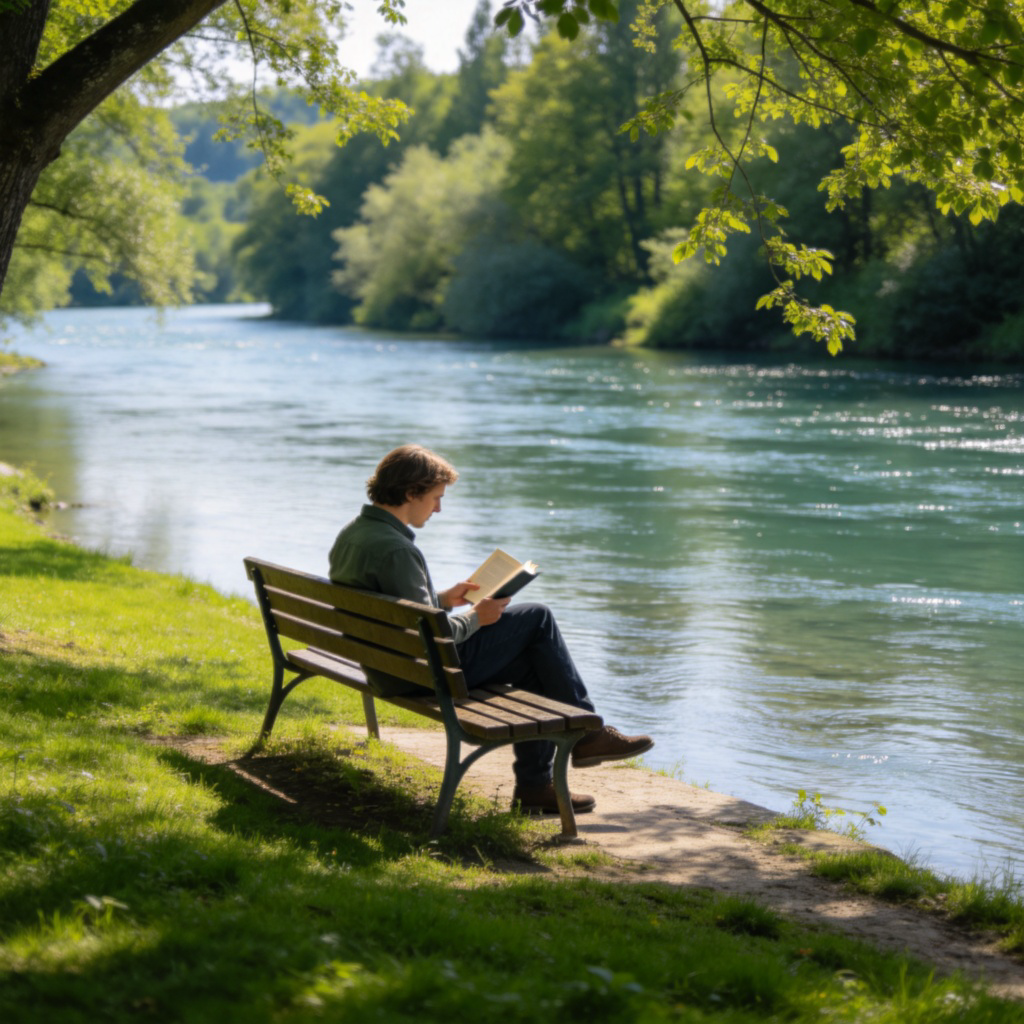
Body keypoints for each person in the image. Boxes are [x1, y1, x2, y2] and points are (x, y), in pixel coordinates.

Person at [328, 444, 654, 815]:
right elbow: (429, 636)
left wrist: (445, 599)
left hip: (388, 665)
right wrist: (475, 617)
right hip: (420, 674)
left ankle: (538, 787)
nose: (438, 508)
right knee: (537, 618)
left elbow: (396, 608)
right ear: (410, 493)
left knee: (537, 663)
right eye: (435, 498)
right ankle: (584, 739)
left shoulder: (355, 533)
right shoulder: (397, 549)